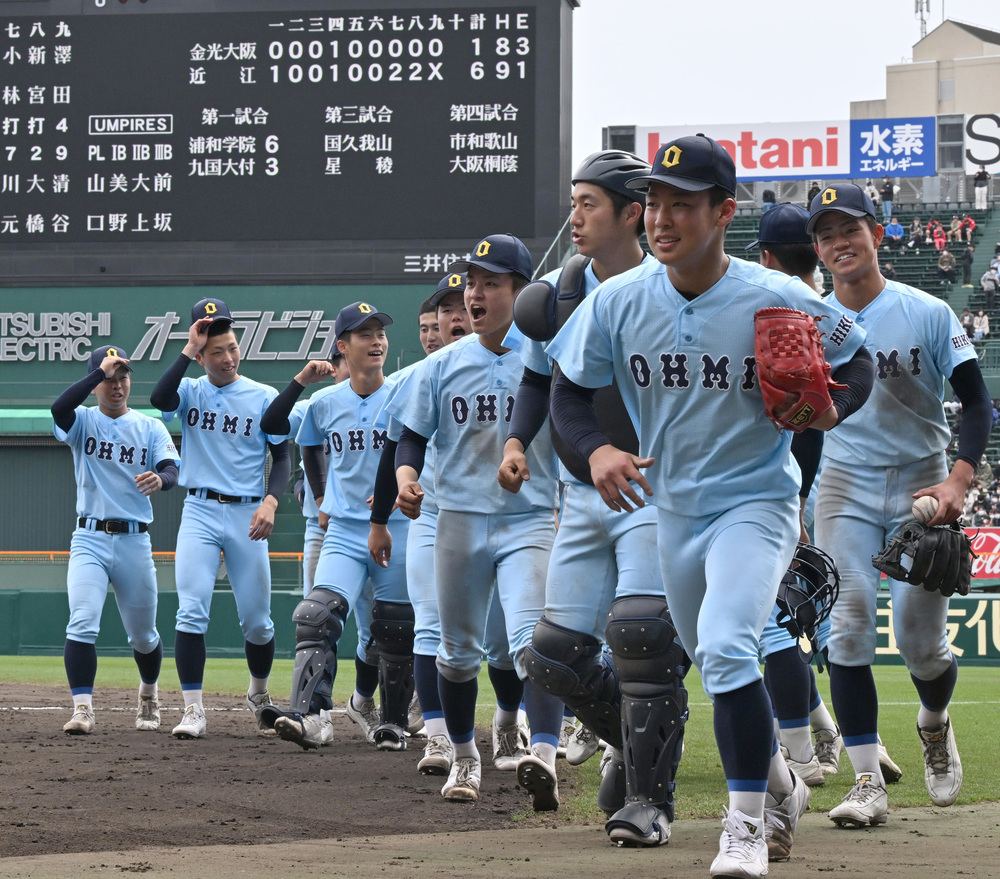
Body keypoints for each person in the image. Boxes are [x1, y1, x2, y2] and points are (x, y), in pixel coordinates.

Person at [546, 137, 873, 878]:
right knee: (714, 659)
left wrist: (832, 409)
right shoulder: (620, 299)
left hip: (755, 499)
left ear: (724, 211)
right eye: (655, 202)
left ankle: (745, 828)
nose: (662, 218)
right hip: (672, 509)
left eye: (682, 203)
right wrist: (596, 449)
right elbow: (567, 390)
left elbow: (857, 358)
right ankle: (782, 783)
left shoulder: (778, 294)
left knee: (729, 643)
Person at [501, 149, 693, 846]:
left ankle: (648, 799)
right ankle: (637, 737)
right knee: (552, 654)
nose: (574, 217)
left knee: (641, 636)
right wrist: (517, 443)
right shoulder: (560, 288)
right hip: (579, 494)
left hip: (653, 489)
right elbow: (538, 382)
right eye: (574, 202)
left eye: (588, 204)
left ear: (632, 213)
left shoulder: (670, 285)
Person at [807, 183, 992, 827]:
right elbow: (805, 423)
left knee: (921, 645)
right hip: (844, 483)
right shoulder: (812, 322)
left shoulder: (927, 312)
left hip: (923, 482)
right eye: (825, 233)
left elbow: (975, 401)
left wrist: (956, 483)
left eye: (849, 228)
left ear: (877, 234)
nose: (839, 242)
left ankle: (934, 725)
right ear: (818, 249)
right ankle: (866, 781)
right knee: (847, 625)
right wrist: (798, 502)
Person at [390, 234, 566, 812]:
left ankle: (542, 752)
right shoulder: (439, 365)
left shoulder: (546, 356)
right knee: (458, 649)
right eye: (471, 283)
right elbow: (411, 435)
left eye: (491, 282)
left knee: (531, 642)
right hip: (459, 521)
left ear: (520, 290)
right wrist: (405, 476)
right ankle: (465, 756)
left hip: (529, 519)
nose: (476, 294)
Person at [368, 273, 529, 778]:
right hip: (439, 513)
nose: (456, 315)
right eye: (446, 309)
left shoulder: (530, 357)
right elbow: (399, 444)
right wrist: (382, 516)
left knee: (504, 638)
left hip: (512, 514)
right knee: (431, 627)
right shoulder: (430, 372)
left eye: (463, 305)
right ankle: (439, 738)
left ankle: (507, 722)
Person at [258, 302, 415, 752]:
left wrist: (401, 485)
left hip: (397, 528)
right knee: (316, 615)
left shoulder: (402, 396)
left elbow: (413, 450)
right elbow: (307, 445)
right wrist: (323, 495)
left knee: (395, 627)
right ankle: (308, 716)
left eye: (380, 333)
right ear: (343, 347)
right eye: (364, 334)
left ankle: (393, 722)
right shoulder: (325, 402)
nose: (377, 341)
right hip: (344, 531)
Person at [149, 298, 292, 739]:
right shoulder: (190, 390)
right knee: (191, 613)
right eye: (216, 351)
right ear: (201, 352)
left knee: (258, 620)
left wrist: (271, 500)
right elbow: (158, 398)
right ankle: (193, 709)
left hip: (249, 510)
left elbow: (283, 454)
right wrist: (188, 351)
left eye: (231, 347)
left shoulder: (263, 395)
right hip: (200, 510)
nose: (227, 358)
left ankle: (258, 695)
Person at [745, 204, 847, 799]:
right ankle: (834, 731)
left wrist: (798, 503)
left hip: (798, 489)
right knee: (823, 629)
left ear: (764, 255)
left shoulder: (776, 308)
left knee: (776, 626)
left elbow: (801, 423)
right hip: (835, 488)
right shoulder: (837, 313)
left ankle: (809, 747)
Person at [53, 345, 179, 735]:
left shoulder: (149, 426)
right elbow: (60, 409)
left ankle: (148, 693)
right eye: (109, 377)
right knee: (82, 622)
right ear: (95, 384)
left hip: (133, 540)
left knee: (143, 636)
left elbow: (171, 468)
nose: (117, 384)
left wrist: (162, 479)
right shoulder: (83, 421)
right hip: (89, 537)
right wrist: (97, 373)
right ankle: (83, 709)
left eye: (123, 376)